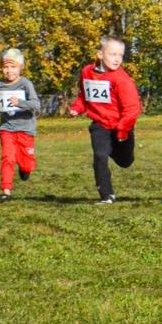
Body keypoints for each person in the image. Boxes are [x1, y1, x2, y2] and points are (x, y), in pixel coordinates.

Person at [67, 35, 142, 205]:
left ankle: (116, 149)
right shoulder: (87, 72)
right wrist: (77, 108)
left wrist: (123, 130)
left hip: (121, 126)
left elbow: (132, 108)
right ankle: (106, 195)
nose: (117, 59)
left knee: (125, 161)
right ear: (100, 54)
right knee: (100, 155)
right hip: (99, 124)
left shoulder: (121, 79)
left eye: (120, 55)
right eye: (113, 54)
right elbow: (83, 94)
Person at [0, 48, 40, 202]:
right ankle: (6, 190)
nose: (9, 70)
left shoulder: (26, 84)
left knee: (27, 164)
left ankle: (25, 170)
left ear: (20, 67)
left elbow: (36, 104)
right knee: (7, 157)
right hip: (7, 128)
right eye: (5, 67)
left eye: (13, 66)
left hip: (26, 129)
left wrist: (21, 103)